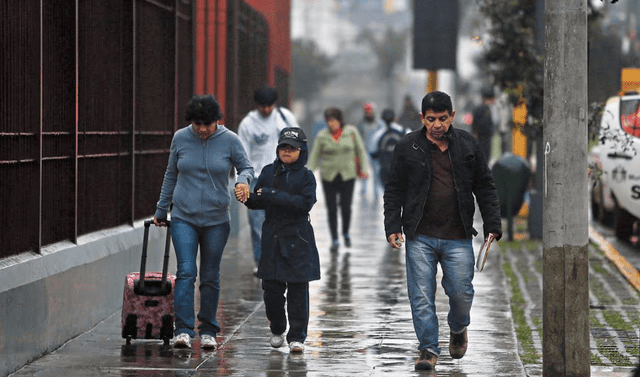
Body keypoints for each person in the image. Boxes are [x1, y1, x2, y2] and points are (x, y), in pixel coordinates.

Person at [383, 91, 502, 371]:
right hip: (419, 235)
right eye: (431, 119)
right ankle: (428, 349)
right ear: (423, 118)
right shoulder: (407, 147)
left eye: (443, 118)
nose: (437, 125)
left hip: (458, 235)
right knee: (421, 295)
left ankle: (458, 328)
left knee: (461, 292)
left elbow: (485, 185)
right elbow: (394, 189)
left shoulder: (467, 145)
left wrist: (492, 225)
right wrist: (392, 225)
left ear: (453, 117)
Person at [153, 94, 254, 350]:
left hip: (216, 219)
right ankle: (183, 330)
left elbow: (246, 167)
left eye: (206, 124)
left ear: (216, 121)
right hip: (183, 217)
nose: (201, 129)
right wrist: (161, 209)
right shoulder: (181, 138)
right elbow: (170, 173)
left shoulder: (230, 140)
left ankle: (208, 329)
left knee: (210, 275)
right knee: (186, 272)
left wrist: (243, 181)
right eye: (197, 124)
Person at [236, 127, 319, 354]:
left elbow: (304, 204)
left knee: (297, 292)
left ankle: (297, 337)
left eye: (292, 148)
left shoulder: (307, 176)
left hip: (298, 238)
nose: (287, 152)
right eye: (283, 147)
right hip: (272, 238)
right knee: (271, 290)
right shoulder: (268, 172)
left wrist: (272, 196)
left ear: (301, 151)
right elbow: (259, 200)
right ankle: (277, 327)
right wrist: (247, 198)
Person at [237, 87, 299, 273]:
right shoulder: (248, 124)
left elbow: (299, 144)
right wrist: (243, 181)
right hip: (257, 179)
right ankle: (262, 260)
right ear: (257, 105)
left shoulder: (285, 118)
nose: (266, 109)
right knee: (258, 223)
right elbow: (242, 154)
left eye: (270, 105)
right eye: (263, 106)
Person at [308, 107, 368, 252]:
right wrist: (308, 173)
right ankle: (335, 238)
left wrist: (364, 169)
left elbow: (360, 150)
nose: (331, 124)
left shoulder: (351, 132)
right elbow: (315, 155)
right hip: (329, 176)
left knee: (346, 207)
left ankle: (345, 233)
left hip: (348, 175)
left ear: (340, 120)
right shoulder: (322, 136)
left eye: (333, 120)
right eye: (328, 121)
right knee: (331, 208)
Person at [370, 108, 407, 189]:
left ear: (382, 119)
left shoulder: (378, 135)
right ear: (395, 118)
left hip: (385, 172)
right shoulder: (404, 132)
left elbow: (372, 153)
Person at [356, 102, 384, 198]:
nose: (368, 113)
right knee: (364, 169)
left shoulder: (379, 124)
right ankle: (363, 189)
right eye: (366, 111)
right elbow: (358, 136)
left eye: (370, 111)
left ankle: (376, 190)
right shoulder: (361, 124)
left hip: (376, 151)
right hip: (365, 150)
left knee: (376, 171)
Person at [471, 88, 496, 161]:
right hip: (484, 137)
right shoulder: (484, 109)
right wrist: (490, 131)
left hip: (480, 137)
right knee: (484, 158)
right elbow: (483, 124)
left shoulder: (479, 108)